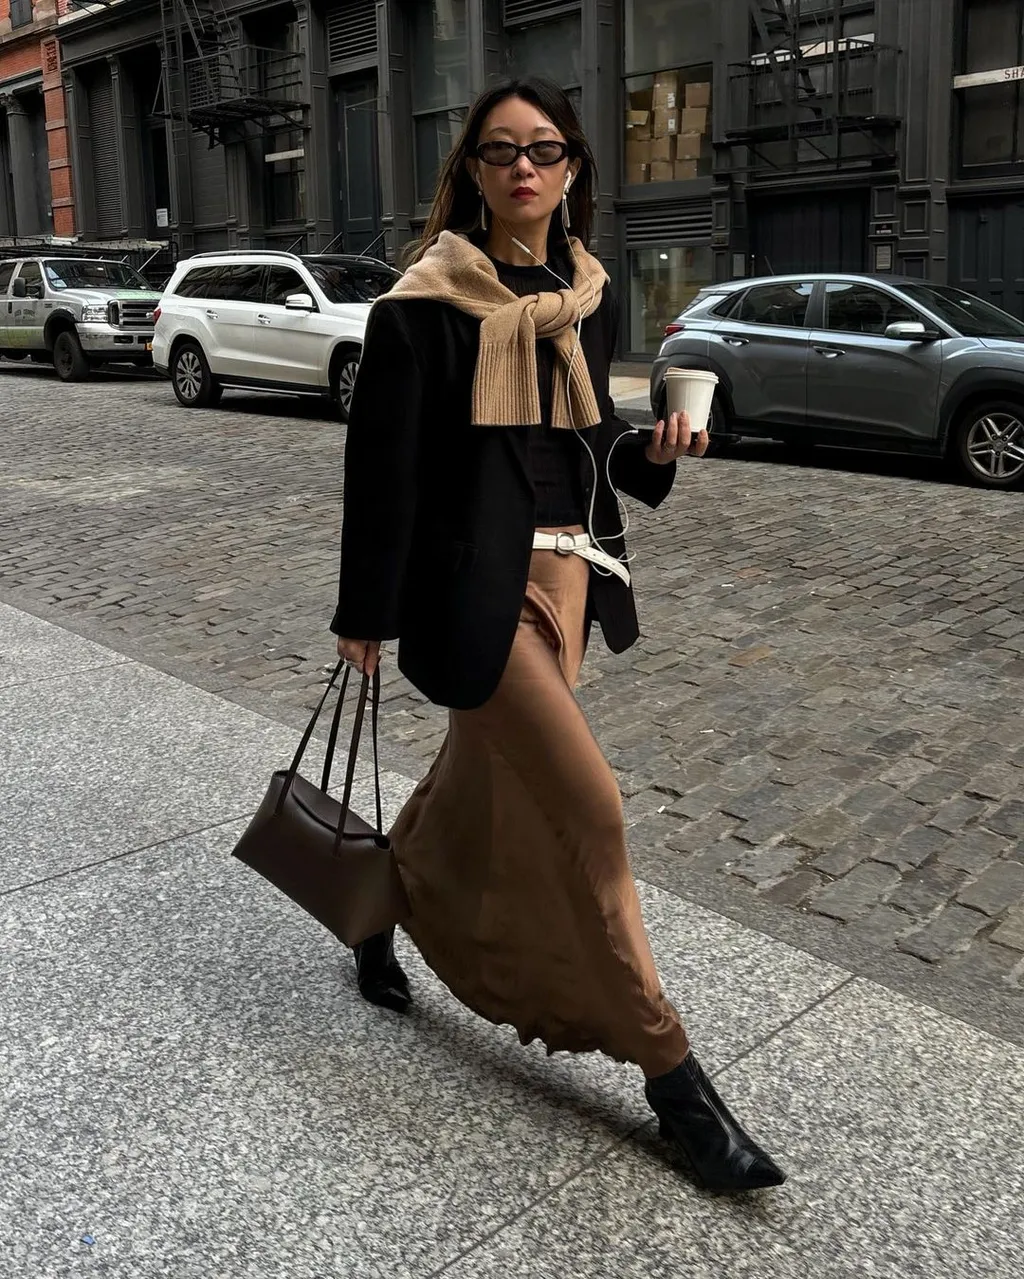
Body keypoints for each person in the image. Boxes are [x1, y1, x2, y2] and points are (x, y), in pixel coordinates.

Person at [331, 76, 785, 1194]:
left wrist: (659, 452)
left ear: (573, 169)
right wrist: (363, 617)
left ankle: (373, 904)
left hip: (572, 574)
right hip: (464, 591)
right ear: (474, 173)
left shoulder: (588, 295)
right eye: (499, 151)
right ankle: (675, 1081)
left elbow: (595, 445)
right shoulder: (421, 307)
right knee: (590, 809)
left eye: (543, 149)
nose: (523, 167)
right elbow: (381, 477)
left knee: (476, 777)